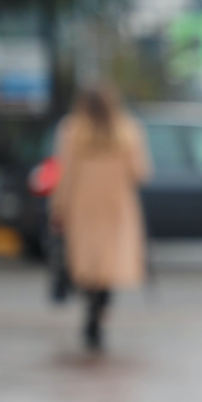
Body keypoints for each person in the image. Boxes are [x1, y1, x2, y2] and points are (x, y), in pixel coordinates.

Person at [50, 84, 150, 351]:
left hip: (83, 206)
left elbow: (66, 174)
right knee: (109, 266)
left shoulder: (72, 130)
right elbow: (141, 172)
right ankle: (99, 314)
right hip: (118, 207)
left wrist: (58, 208)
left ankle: (90, 308)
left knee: (87, 264)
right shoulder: (129, 131)